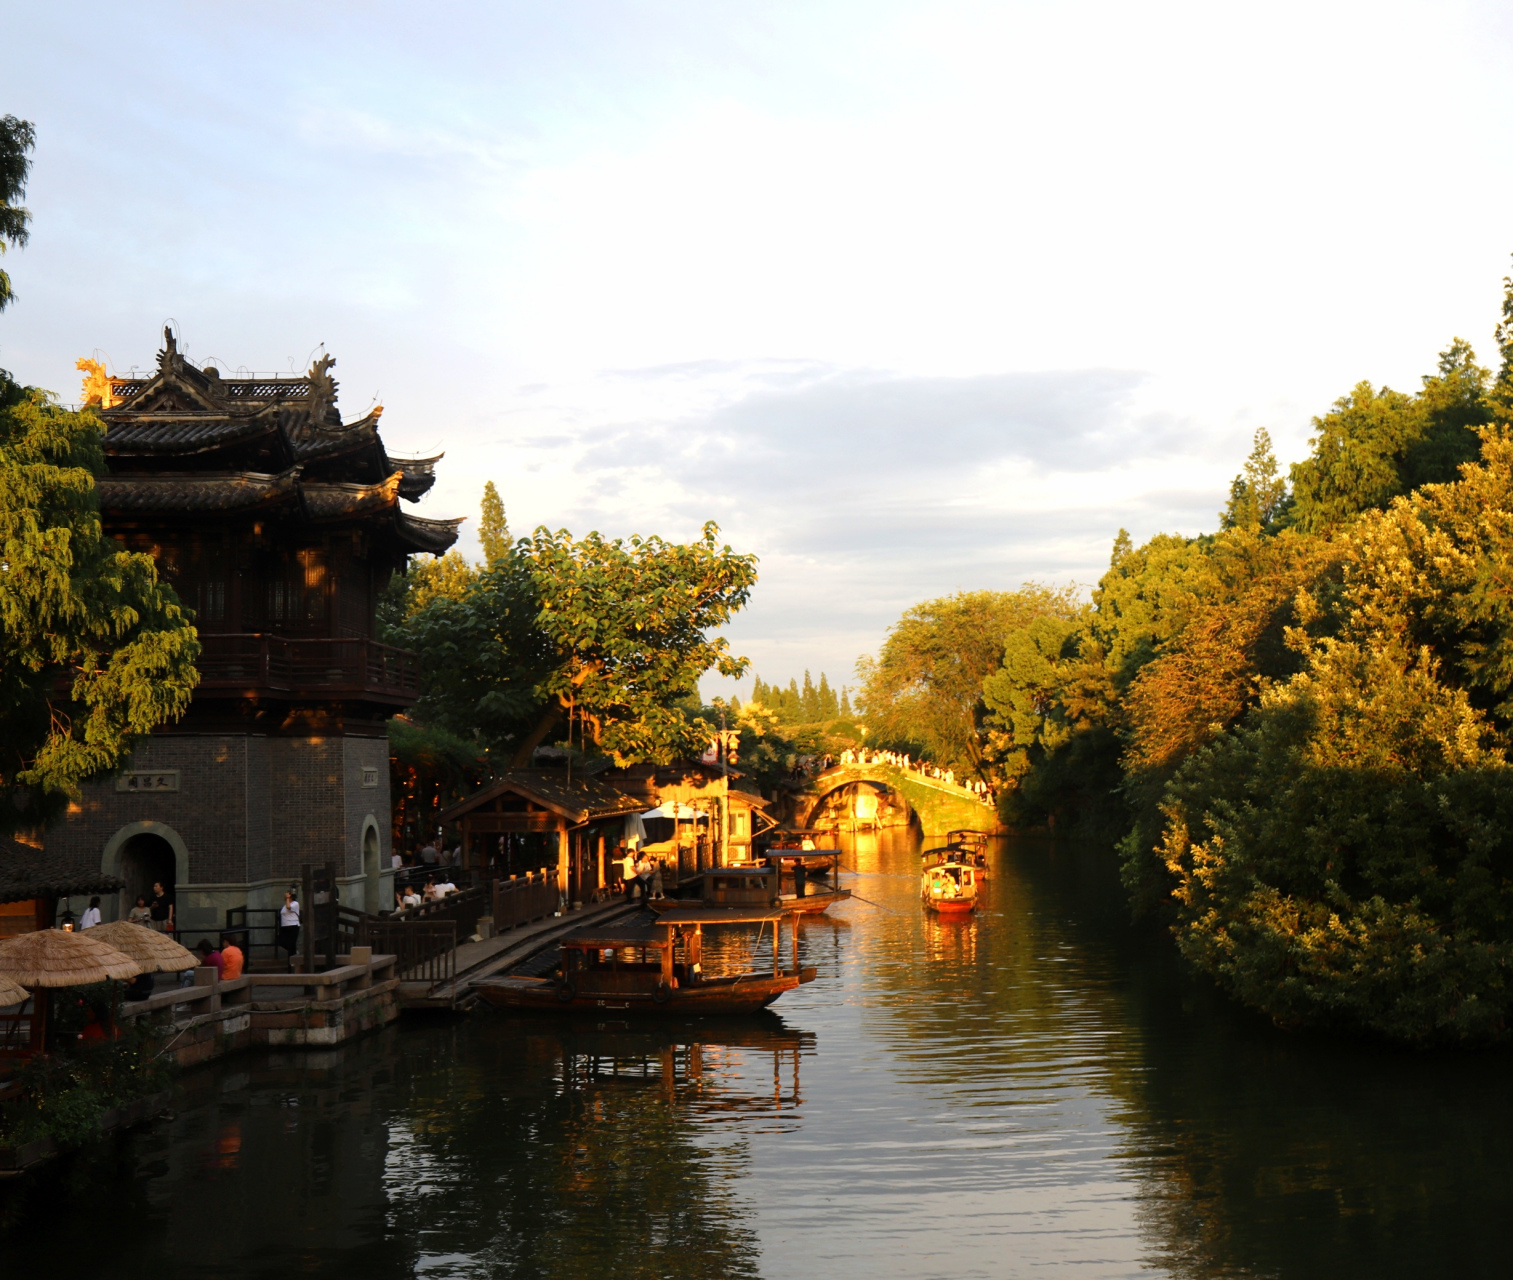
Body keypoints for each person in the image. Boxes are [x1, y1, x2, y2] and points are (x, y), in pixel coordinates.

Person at [278, 890, 301, 960]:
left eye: (287, 895)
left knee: (291, 942)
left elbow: (289, 907)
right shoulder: (284, 905)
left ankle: (293, 957)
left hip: (293, 925)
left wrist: (288, 899)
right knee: (281, 941)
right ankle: (293, 952)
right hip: (285, 926)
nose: (285, 896)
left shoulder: (295, 903)